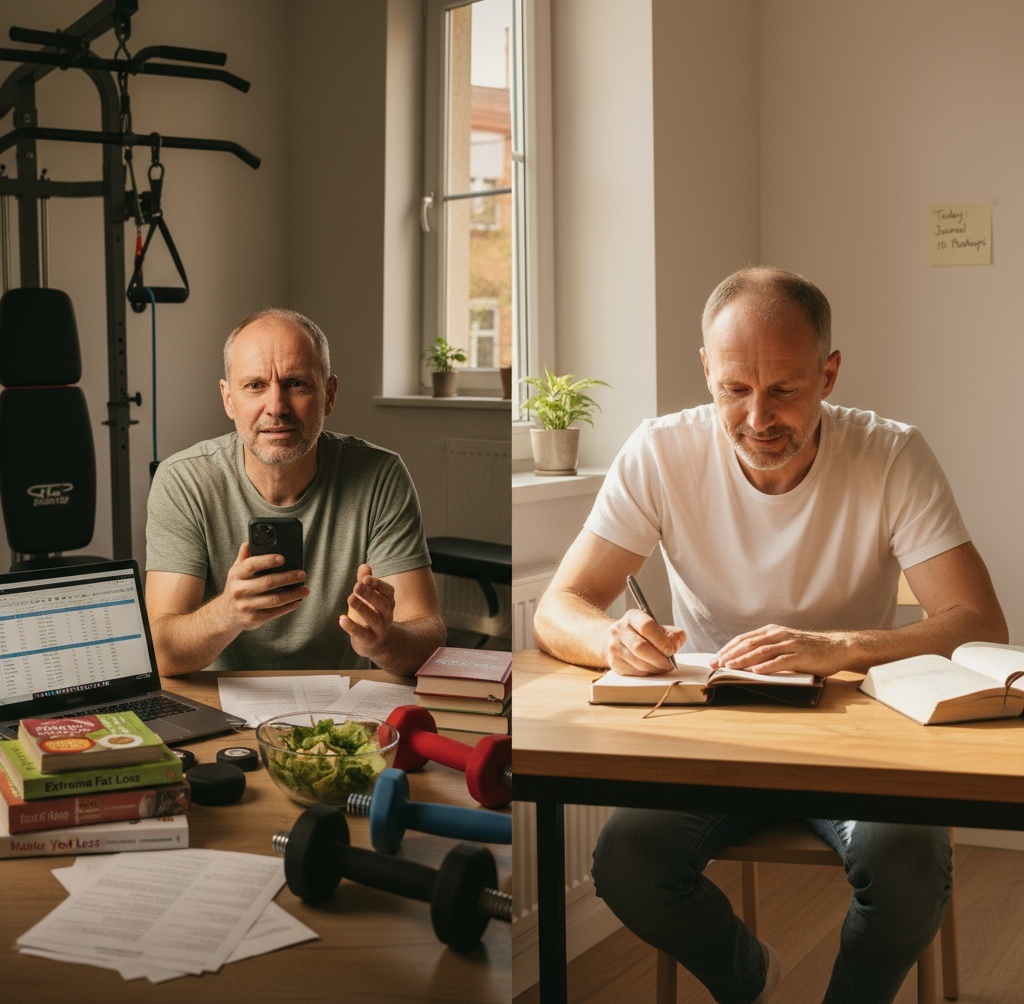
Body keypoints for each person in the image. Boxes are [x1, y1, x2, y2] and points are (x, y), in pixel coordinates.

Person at [533, 266, 1007, 1003]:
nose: (758, 418)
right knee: (628, 861)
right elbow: (559, 605)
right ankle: (748, 979)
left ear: (829, 373)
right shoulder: (661, 451)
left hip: (858, 732)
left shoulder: (891, 455)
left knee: (908, 861)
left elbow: (980, 623)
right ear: (706, 373)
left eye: (785, 389)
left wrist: (840, 647)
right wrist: (612, 639)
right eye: (734, 389)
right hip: (712, 732)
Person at [145, 307, 445, 677]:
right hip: (219, 706)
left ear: (329, 394)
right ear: (228, 399)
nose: (276, 407)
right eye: (255, 385)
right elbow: (161, 651)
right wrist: (228, 612)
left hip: (340, 709)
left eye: (296, 384)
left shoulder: (380, 475)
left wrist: (384, 641)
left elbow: (428, 635)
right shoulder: (184, 481)